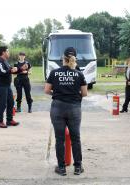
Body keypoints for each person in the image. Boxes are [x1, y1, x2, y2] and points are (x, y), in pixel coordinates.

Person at [44, 47, 88, 176]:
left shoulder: (54, 73)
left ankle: (62, 168)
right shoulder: (79, 74)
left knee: (60, 138)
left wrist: (57, 93)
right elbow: (84, 93)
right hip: (74, 108)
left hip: (57, 108)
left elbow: (47, 90)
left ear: (63, 58)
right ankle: (78, 167)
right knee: (76, 138)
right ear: (75, 59)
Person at [0, 46, 23, 128]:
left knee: (11, 103)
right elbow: (2, 72)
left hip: (7, 86)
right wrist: (11, 70)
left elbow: (11, 70)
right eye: (7, 51)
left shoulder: (5, 61)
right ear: (3, 52)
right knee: (3, 104)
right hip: (1, 86)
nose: (9, 53)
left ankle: (9, 120)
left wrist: (20, 69)